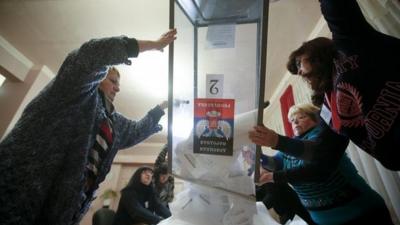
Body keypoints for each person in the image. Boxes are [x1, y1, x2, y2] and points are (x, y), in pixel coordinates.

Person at [0, 29, 177, 225]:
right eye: (113, 81)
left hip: (62, 211)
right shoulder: (73, 92)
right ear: (97, 77)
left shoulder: (113, 121)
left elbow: (136, 131)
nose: (118, 88)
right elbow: (89, 56)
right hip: (17, 192)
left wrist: (162, 107)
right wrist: (152, 44)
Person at [250, 0, 400, 171]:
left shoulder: (350, 44)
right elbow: (325, 152)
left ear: (317, 52)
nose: (299, 73)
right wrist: (275, 141)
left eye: (299, 63)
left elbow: (336, 6)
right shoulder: (328, 108)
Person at [255, 103, 394, 225]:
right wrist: (256, 156)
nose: (296, 122)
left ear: (315, 118)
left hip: (362, 215)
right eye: (292, 120)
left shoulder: (323, 135)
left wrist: (276, 141)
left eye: (301, 117)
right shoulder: (289, 147)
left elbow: (313, 158)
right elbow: (273, 163)